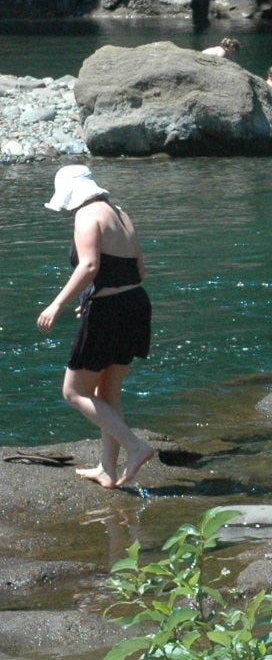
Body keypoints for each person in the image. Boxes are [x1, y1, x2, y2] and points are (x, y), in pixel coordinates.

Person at [36, 166, 156, 489]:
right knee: (108, 391)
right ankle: (107, 469)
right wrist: (94, 296)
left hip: (109, 312)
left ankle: (135, 446)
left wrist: (57, 304)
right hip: (136, 304)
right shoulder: (121, 214)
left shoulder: (87, 215)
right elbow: (139, 270)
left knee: (73, 391)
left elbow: (90, 265)